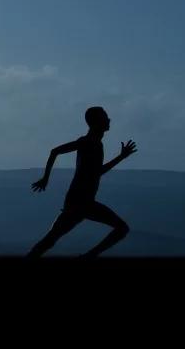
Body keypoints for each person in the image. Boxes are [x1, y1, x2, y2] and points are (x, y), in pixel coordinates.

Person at [27, 106, 137, 258]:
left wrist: (121, 157)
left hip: (78, 201)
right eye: (105, 117)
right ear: (96, 122)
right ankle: (89, 257)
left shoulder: (94, 143)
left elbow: (95, 172)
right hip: (81, 202)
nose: (109, 120)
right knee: (122, 228)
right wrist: (45, 178)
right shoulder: (89, 142)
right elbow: (56, 152)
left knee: (50, 239)